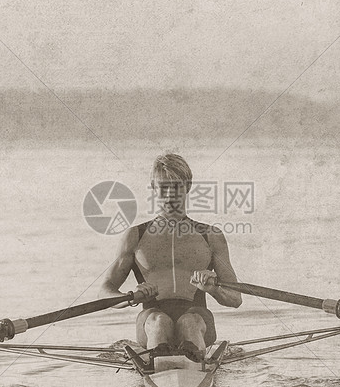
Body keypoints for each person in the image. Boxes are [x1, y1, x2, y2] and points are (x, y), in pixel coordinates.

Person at [99, 153, 242, 362]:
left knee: (188, 323)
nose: (169, 196)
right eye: (163, 188)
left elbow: (236, 298)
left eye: (176, 187)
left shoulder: (211, 236)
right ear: (153, 188)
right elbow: (104, 290)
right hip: (151, 318)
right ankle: (167, 366)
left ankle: (181, 365)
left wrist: (213, 289)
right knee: (159, 322)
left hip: (198, 319)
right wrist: (131, 296)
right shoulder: (135, 236)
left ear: (188, 186)